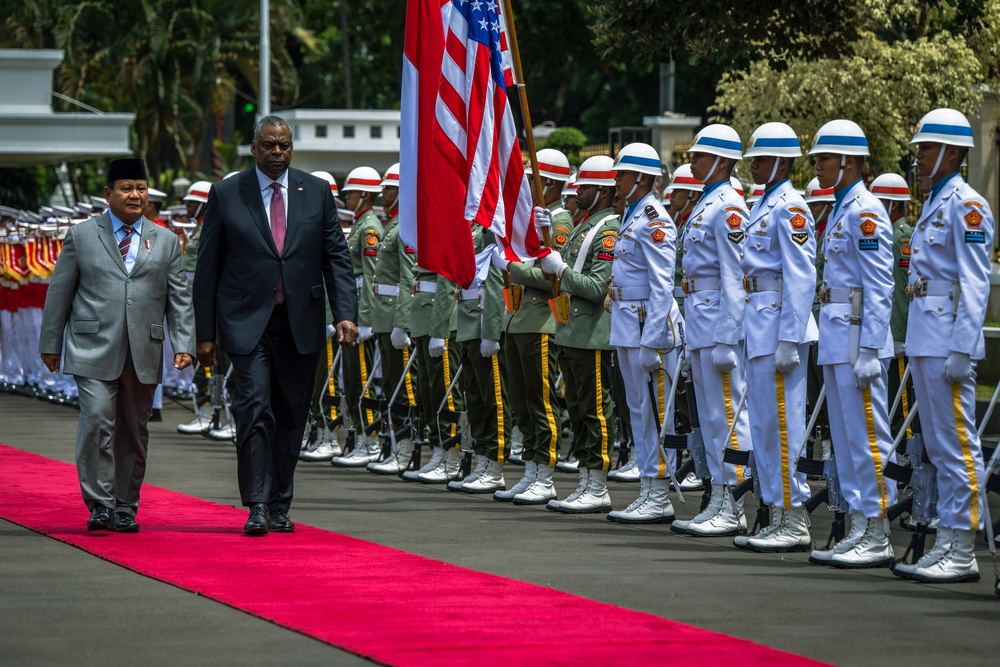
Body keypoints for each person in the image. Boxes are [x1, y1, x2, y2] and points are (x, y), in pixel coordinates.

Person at [193, 115, 358, 536]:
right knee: (253, 408)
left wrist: (345, 314)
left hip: (300, 322)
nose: (278, 153)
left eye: (284, 145)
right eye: (269, 145)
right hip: (247, 323)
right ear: (254, 148)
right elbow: (207, 268)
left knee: (290, 414)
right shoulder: (228, 193)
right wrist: (205, 334)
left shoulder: (316, 192)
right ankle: (259, 504)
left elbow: (335, 257)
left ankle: (282, 502)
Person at [38, 157, 195, 532]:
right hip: (91, 346)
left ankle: (125, 504)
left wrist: (184, 342)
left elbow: (179, 298)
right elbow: (60, 292)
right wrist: (50, 342)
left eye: (141, 188)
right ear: (108, 194)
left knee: (133, 429)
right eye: (126, 188)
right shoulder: (81, 236)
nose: (135, 195)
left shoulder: (167, 240)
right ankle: (99, 503)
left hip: (144, 349)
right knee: (96, 422)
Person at [893, 109, 993, 583]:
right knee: (937, 444)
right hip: (927, 338)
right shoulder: (936, 200)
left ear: (953, 153)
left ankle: (962, 545)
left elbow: (975, 283)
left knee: (957, 445)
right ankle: (948, 539)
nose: (918, 158)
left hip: (947, 340)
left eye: (926, 150)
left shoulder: (967, 205)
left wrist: (962, 346)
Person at [807, 120, 896, 567]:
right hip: (839, 332)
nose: (818, 167)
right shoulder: (845, 208)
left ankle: (877, 528)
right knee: (846, 439)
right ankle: (861, 524)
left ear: (846, 161)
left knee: (867, 438)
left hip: (857, 336)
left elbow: (879, 285)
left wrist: (869, 349)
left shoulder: (865, 211)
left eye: (823, 159)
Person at [670, 124, 753, 537]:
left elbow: (735, 277)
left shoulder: (728, 206)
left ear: (721, 160)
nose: (692, 161)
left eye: (699, 156)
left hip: (718, 323)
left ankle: (733, 501)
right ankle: (720, 494)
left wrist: (726, 335)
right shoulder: (708, 203)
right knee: (709, 416)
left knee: (727, 417)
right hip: (701, 321)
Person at [739, 122, 818, 552]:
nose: (755, 166)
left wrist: (790, 337)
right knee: (767, 426)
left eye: (763, 160)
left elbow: (802, 276)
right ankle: (776, 509)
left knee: (785, 426)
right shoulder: (764, 204)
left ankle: (794, 517)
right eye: (754, 160)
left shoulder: (790, 205)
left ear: (783, 162)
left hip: (778, 328)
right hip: (760, 324)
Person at [604, 142, 683, 524]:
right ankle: (648, 489)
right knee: (639, 410)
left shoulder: (654, 218)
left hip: (645, 324)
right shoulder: (632, 214)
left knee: (654, 413)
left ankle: (658, 492)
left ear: (641, 178)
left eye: (622, 173)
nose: (616, 179)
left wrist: (652, 340)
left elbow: (662, 285)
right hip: (626, 321)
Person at [538, 155, 620, 513]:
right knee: (577, 408)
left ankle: (598, 482)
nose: (577, 191)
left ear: (602, 191)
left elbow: (597, 286)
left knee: (595, 410)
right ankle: (587, 479)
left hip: (591, 332)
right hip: (571, 330)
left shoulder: (607, 229)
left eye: (584, 187)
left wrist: (561, 269)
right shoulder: (582, 225)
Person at [329, 167, 385, 468]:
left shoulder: (369, 228)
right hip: (356, 310)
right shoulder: (362, 224)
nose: (346, 197)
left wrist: (364, 320)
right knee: (351, 379)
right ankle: (363, 436)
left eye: (350, 192)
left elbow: (371, 280)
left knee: (361, 380)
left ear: (364, 194)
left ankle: (370, 439)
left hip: (362, 315)